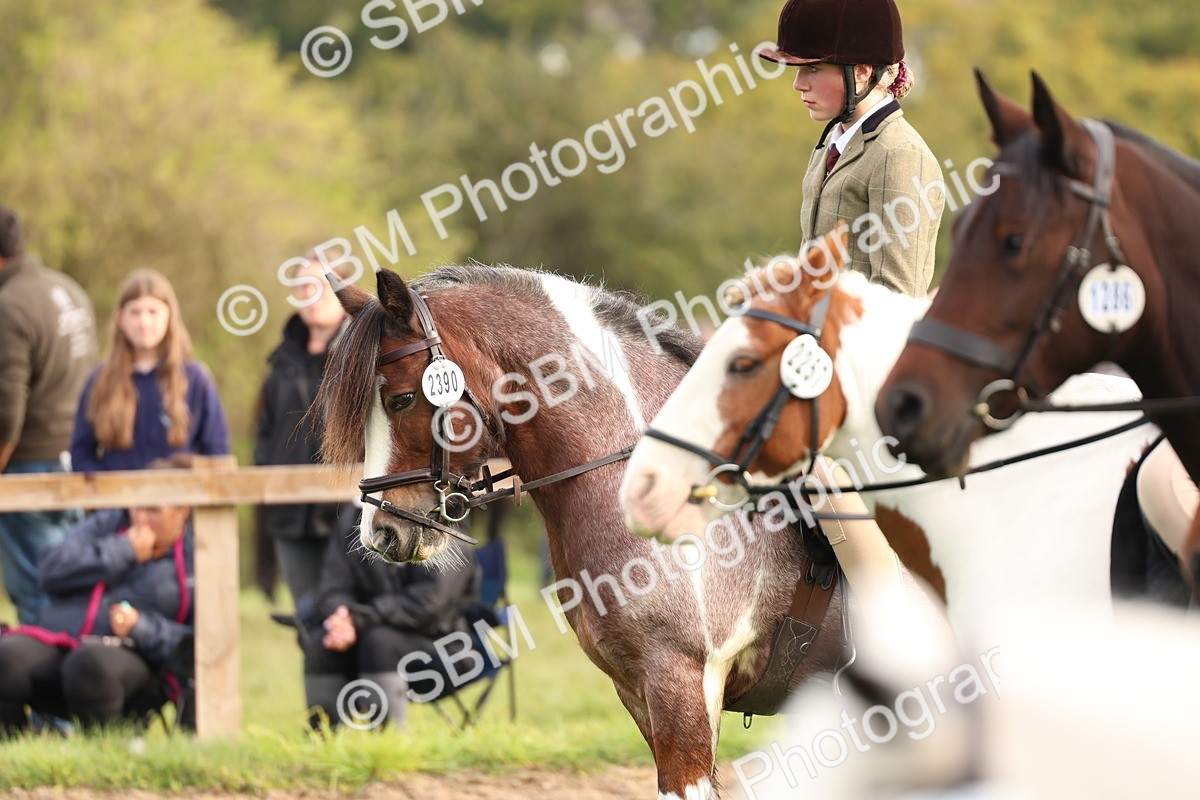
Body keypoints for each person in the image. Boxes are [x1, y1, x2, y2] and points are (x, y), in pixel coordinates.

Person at [760, 0, 944, 297]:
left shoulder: (900, 155)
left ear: (861, 72)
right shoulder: (830, 144)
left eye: (814, 69)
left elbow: (897, 298)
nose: (798, 84)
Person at [0, 467, 194, 736]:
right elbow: (50, 570)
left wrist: (141, 628)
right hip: (62, 641)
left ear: (182, 510)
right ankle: (14, 755)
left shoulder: (197, 556)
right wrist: (122, 550)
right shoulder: (110, 525)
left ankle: (100, 757)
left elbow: (196, 644)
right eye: (135, 509)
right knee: (6, 656)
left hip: (132, 662)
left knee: (88, 663)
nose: (140, 519)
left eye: (153, 511)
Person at [0, 205, 97, 624]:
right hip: (74, 460)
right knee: (70, 582)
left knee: (38, 590)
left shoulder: (8, 306)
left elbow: (6, 410)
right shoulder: (68, 289)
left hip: (28, 466)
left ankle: (51, 687)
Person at [303, 508, 481, 730]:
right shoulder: (352, 519)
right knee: (322, 643)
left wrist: (360, 620)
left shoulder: (444, 519)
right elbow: (332, 586)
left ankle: (388, 745)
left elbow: (429, 604)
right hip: (370, 634)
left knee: (378, 642)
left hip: (447, 645)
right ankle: (321, 744)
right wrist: (341, 616)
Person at [254, 257, 349, 607]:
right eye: (301, 288)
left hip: (347, 515)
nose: (310, 295)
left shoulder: (363, 355)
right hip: (289, 515)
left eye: (319, 286)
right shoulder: (281, 362)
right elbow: (265, 436)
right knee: (307, 614)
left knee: (346, 616)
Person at [70, 268, 229, 472]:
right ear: (121, 318)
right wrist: (111, 496)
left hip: (177, 499)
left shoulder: (195, 378)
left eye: (153, 312)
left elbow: (216, 452)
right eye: (135, 312)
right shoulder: (100, 379)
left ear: (169, 316)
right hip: (116, 499)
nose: (144, 322)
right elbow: (81, 454)